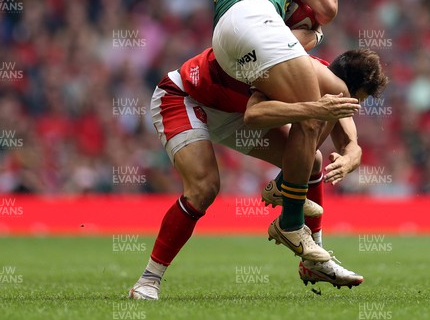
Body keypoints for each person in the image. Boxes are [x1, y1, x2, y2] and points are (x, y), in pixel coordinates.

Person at [128, 41, 389, 299]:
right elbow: (255, 115)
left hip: (231, 110)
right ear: (345, 86)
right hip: (185, 97)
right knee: (204, 188)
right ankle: (149, 279)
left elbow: (342, 120)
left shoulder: (324, 78)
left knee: (312, 160)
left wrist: (354, 149)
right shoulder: (288, 67)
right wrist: (313, 109)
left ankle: (314, 261)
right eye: (358, 100)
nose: (355, 107)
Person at [212, 0, 339, 261]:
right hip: (257, 25)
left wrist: (298, 33)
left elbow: (283, 43)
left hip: (225, 44)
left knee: (306, 114)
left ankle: (286, 186)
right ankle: (291, 222)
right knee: (315, 114)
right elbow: (328, 5)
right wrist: (316, 29)